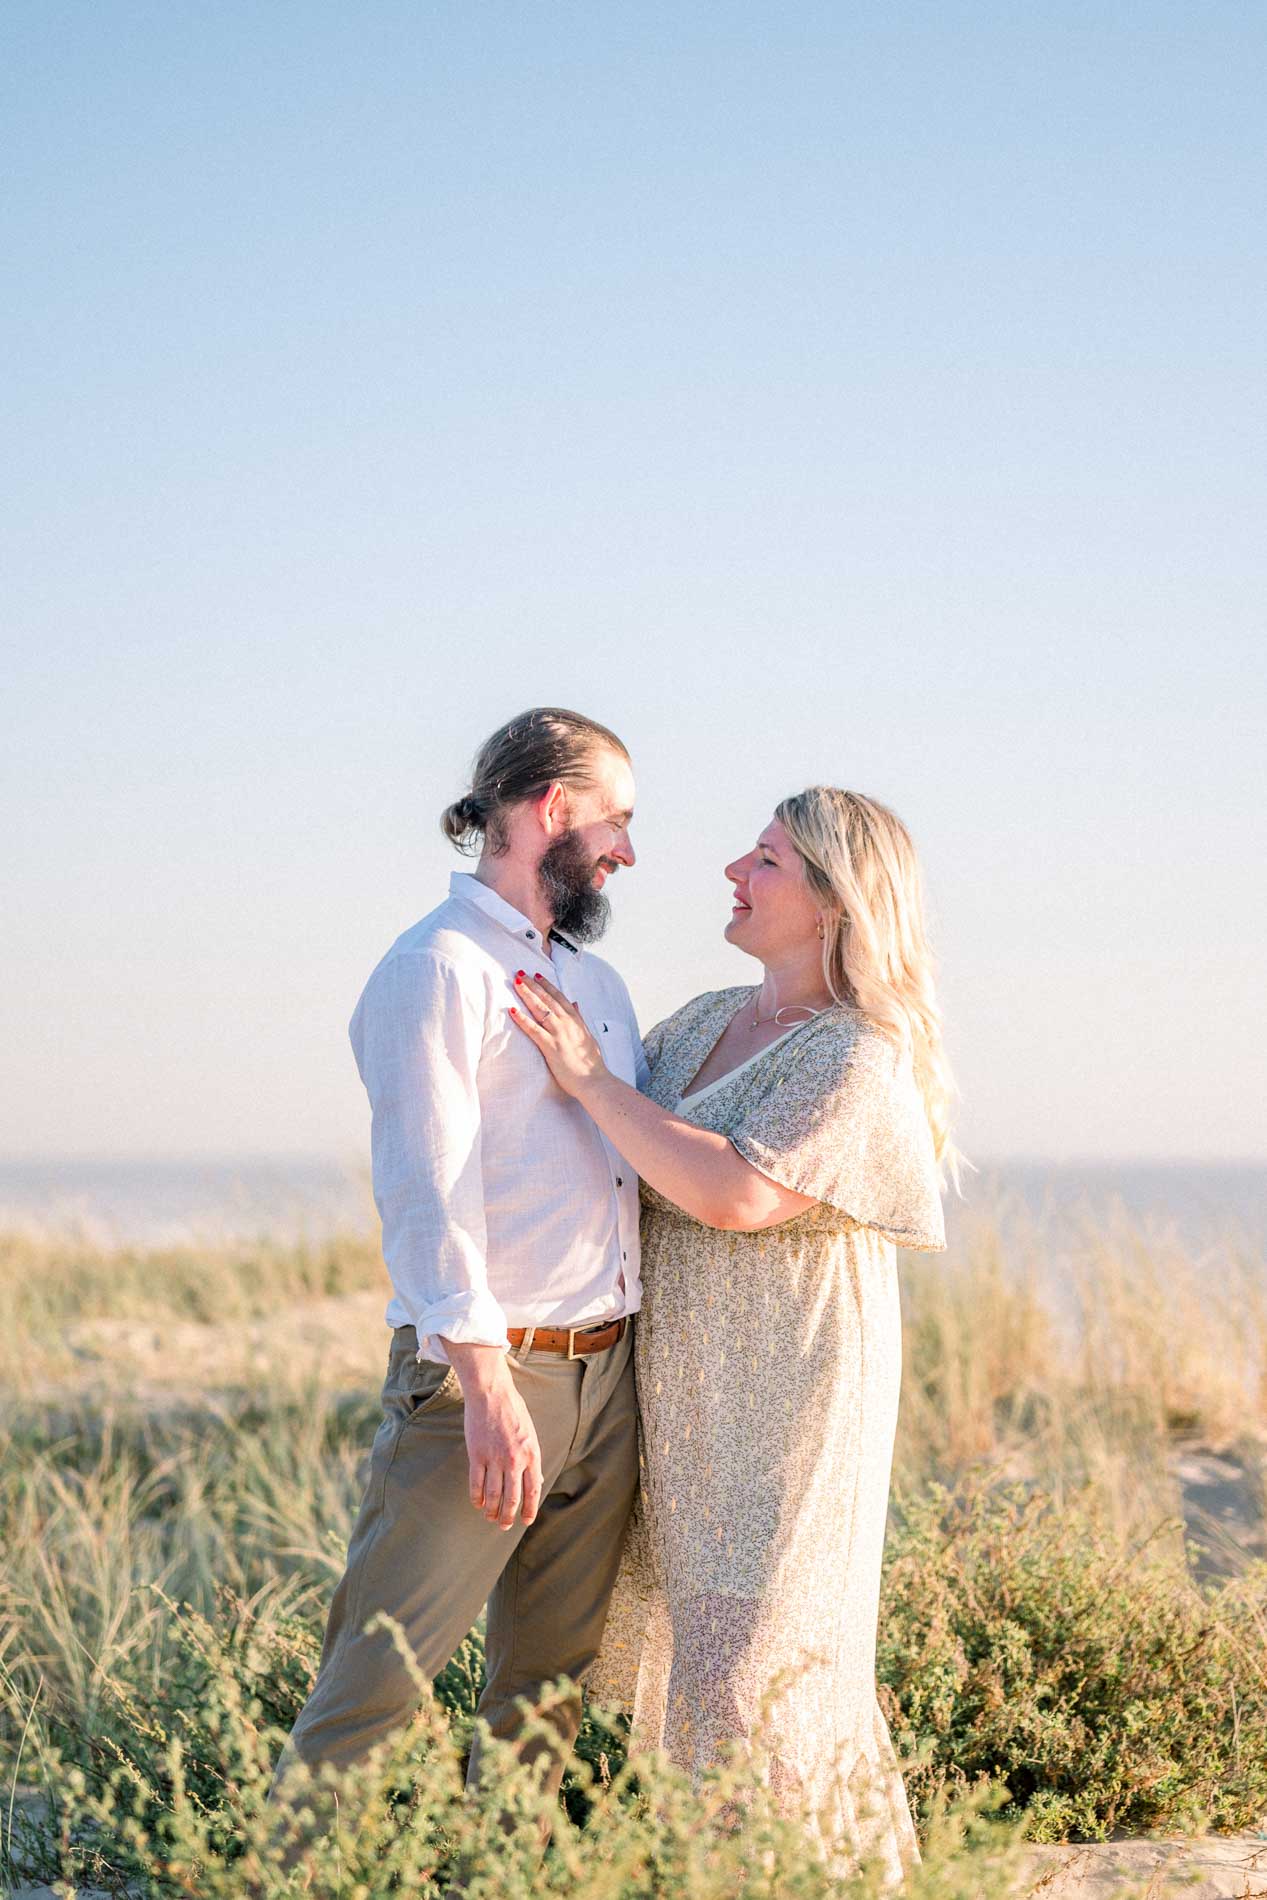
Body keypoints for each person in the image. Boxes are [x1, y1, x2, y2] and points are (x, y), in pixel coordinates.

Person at [508, 786, 951, 1883]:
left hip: (794, 1404)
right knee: (698, 1679)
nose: (731, 873)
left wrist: (589, 1078)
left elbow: (733, 1193)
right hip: (686, 1401)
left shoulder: (857, 1056)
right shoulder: (704, 1019)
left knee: (767, 1673)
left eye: (764, 860)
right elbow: (614, 1146)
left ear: (833, 904)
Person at [272, 706, 644, 1823]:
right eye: (618, 820)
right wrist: (485, 1388)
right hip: (487, 1382)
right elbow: (426, 1195)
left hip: (607, 1377)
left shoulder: (603, 989)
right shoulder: (434, 969)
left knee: (543, 1695)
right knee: (374, 1685)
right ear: (552, 811)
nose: (628, 848)